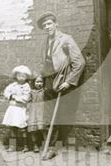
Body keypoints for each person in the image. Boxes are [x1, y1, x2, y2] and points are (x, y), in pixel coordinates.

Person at [36, 12, 85, 158]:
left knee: (56, 116)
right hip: (48, 82)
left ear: (56, 24)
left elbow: (80, 62)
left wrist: (69, 82)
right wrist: (40, 76)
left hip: (60, 81)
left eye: (49, 23)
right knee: (48, 115)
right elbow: (45, 62)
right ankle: (50, 145)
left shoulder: (66, 39)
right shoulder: (44, 42)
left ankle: (52, 147)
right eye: (44, 25)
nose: (47, 27)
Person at [1, 64, 32, 151]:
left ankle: (25, 146)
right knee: (12, 128)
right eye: (19, 76)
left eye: (23, 76)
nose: (21, 78)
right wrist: (10, 95)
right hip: (13, 109)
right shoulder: (13, 85)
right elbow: (6, 92)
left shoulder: (27, 87)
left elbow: (25, 98)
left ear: (26, 77)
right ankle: (12, 146)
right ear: (16, 76)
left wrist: (14, 97)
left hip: (21, 109)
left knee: (22, 128)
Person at [27, 75, 46, 153]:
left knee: (43, 129)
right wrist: (27, 112)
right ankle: (35, 145)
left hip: (42, 112)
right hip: (33, 112)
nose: (39, 84)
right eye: (37, 82)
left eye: (41, 82)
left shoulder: (45, 91)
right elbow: (28, 102)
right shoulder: (31, 92)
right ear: (34, 83)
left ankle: (46, 144)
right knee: (33, 130)